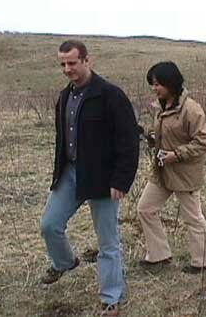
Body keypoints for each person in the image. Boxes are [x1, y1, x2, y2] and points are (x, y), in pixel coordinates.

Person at [40, 40, 139, 316]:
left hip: (103, 179)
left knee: (107, 242)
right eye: (62, 64)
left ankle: (111, 298)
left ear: (87, 60)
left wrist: (121, 180)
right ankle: (65, 263)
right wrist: (59, 172)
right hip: (70, 173)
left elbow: (129, 139)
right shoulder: (64, 96)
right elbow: (64, 140)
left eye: (72, 63)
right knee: (49, 225)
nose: (67, 69)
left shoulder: (110, 95)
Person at [137, 61, 206, 274]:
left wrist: (176, 154)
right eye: (152, 84)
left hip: (184, 173)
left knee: (193, 218)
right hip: (162, 171)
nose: (154, 89)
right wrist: (152, 136)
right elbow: (167, 134)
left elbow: (203, 142)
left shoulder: (191, 109)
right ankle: (159, 255)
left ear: (170, 83)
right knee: (145, 209)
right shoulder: (160, 107)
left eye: (157, 84)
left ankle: (204, 261)